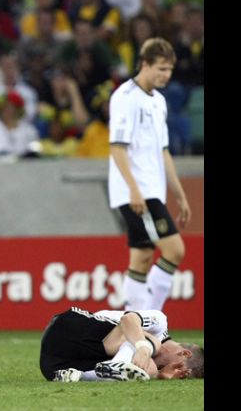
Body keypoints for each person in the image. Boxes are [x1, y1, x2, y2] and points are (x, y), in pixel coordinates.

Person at [108, 38, 191, 311]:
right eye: (161, 69)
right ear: (144, 64)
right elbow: (118, 148)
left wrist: (179, 195)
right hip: (137, 190)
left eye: (169, 70)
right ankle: (151, 323)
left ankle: (134, 328)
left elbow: (163, 151)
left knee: (142, 257)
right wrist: (133, 189)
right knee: (175, 250)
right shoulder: (125, 97)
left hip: (153, 190)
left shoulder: (159, 102)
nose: (165, 75)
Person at [40, 307, 203, 382]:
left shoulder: (152, 368)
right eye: (177, 367)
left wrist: (159, 376)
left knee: (148, 369)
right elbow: (129, 320)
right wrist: (143, 348)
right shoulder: (160, 322)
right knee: (153, 344)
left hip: (55, 364)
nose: (166, 369)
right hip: (69, 329)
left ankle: (84, 376)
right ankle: (113, 367)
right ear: (184, 354)